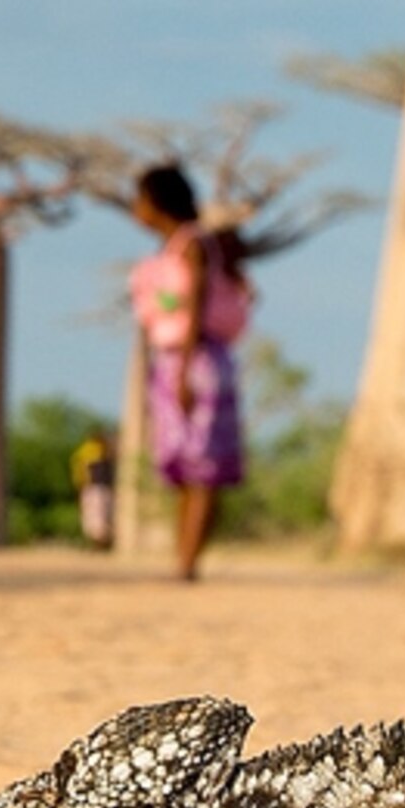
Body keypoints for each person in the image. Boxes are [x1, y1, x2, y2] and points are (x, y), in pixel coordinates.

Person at [128, 161, 251, 581]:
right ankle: (184, 560)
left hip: (195, 358)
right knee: (183, 464)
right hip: (172, 358)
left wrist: (184, 372)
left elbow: (196, 302)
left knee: (204, 464)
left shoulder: (193, 244)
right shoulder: (172, 249)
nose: (136, 208)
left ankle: (187, 564)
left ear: (156, 202)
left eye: (140, 199)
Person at [70, 430, 117, 550]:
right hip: (97, 488)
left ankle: (99, 543)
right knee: (99, 516)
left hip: (93, 488)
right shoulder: (96, 451)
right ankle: (99, 543)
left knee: (96, 516)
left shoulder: (84, 451)